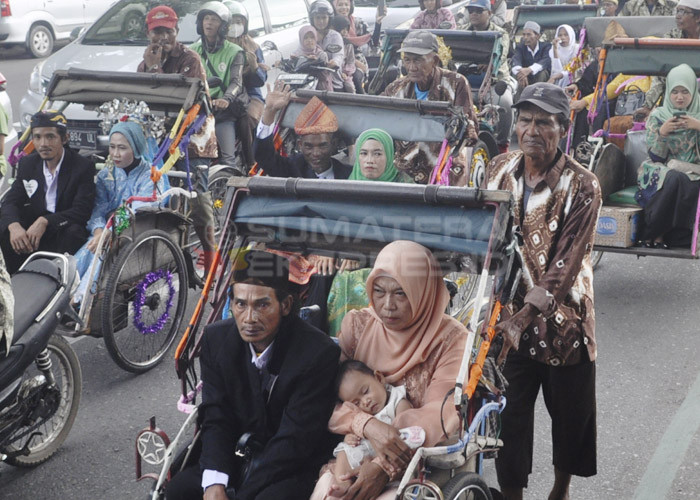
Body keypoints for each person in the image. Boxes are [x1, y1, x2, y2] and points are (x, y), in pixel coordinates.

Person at [484, 83, 601, 500]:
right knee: (508, 418)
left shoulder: (582, 185)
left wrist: (524, 315)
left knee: (569, 418)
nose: (532, 130)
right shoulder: (499, 168)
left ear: (563, 128)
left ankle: (559, 491)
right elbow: (481, 235)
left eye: (544, 122)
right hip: (507, 318)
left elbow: (565, 266)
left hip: (564, 320)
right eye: (526, 119)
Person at [165, 250, 341, 500]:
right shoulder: (217, 340)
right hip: (237, 452)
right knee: (180, 490)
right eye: (240, 304)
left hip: (289, 465)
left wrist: (241, 495)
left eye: (262, 304)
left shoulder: (317, 353)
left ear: (286, 305)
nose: (249, 318)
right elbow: (216, 416)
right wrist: (215, 483)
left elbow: (296, 439)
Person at [310, 240, 469, 500]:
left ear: (422, 291)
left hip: (419, 461)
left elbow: (439, 413)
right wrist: (366, 424)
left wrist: (384, 466)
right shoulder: (358, 326)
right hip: (352, 453)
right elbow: (326, 398)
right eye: (380, 291)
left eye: (401, 293)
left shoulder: (451, 339)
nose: (387, 305)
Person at [137, 4, 219, 277]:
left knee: (199, 203)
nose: (162, 38)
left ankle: (210, 258)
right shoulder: (146, 61)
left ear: (175, 31)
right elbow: (141, 99)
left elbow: (181, 98)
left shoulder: (190, 58)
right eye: (156, 32)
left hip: (193, 139)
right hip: (162, 141)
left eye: (167, 31)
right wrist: (152, 67)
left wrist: (157, 69)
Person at [72, 121, 169, 304]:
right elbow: (99, 207)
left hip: (134, 233)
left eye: (122, 148)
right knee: (90, 248)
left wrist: (111, 230)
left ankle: (80, 299)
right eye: (112, 147)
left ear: (136, 148)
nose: (115, 154)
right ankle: (64, 292)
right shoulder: (105, 175)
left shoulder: (151, 176)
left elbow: (138, 209)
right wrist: (99, 230)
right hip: (106, 233)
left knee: (102, 251)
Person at [0, 111, 96, 275]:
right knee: (6, 226)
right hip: (32, 231)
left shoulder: (82, 167)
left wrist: (45, 221)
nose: (43, 143)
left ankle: (57, 285)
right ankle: (11, 280)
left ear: (65, 138)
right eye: (37, 137)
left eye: (50, 137)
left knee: (75, 233)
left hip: (62, 228)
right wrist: (14, 226)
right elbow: (11, 201)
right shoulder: (28, 163)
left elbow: (82, 210)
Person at [382, 30, 479, 185]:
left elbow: (468, 131)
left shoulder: (456, 83)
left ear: (434, 61)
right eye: (407, 60)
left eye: (418, 60)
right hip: (404, 167)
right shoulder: (395, 89)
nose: (412, 67)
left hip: (444, 166)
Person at [330, 360, 422, 497]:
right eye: (357, 403)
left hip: (384, 459)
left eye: (366, 391)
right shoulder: (362, 416)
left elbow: (405, 429)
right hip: (363, 452)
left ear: (379, 378)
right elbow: (351, 429)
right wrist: (350, 437)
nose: (365, 402)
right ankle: (342, 482)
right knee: (343, 450)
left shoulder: (397, 402)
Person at [635, 64, 700, 248]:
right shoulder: (658, 115)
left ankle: (660, 233)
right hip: (661, 168)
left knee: (680, 180)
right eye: (675, 92)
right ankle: (656, 233)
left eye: (685, 92)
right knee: (672, 178)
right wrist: (662, 134)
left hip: (693, 170)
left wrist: (698, 127)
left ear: (693, 91)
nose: (679, 97)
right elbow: (656, 158)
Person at [254, 82, 352, 179]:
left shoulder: (349, 175)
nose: (316, 153)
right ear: (300, 145)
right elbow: (264, 156)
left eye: (323, 145)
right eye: (309, 146)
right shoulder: (293, 168)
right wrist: (269, 111)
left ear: (333, 144)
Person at [191, 1, 247, 169]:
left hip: (222, 112)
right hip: (200, 110)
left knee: (228, 160)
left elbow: (236, 81)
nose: (208, 22)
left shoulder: (234, 51)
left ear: (223, 25)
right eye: (206, 18)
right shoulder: (192, 51)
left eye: (214, 19)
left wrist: (226, 99)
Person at [458, 0, 514, 153]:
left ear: (489, 13)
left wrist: (489, 63)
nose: (474, 14)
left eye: (478, 10)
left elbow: (500, 56)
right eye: (471, 11)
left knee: (506, 104)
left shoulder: (501, 34)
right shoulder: (460, 31)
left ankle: (503, 145)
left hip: (494, 83)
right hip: (464, 83)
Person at [637, 0, 700, 120]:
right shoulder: (671, 37)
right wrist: (648, 105)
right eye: (677, 11)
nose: (677, 16)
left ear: (697, 17)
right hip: (676, 96)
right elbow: (661, 73)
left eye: (683, 11)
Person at [224, 0, 268, 170]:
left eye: (239, 21)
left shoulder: (253, 46)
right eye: (231, 21)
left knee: (248, 117)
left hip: (250, 96)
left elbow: (260, 80)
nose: (235, 26)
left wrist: (254, 66)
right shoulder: (217, 45)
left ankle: (252, 162)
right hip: (222, 94)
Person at [331, 0, 385, 93]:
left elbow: (374, 43)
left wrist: (378, 23)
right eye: (340, 5)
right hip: (335, 63)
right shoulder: (330, 24)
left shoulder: (358, 22)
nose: (344, 7)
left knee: (355, 78)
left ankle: (363, 102)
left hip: (356, 64)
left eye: (346, 4)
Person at [309, 0, 345, 92]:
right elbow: (301, 50)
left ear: (329, 19)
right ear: (312, 19)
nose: (321, 21)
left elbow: (338, 55)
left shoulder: (335, 36)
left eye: (324, 17)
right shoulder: (309, 35)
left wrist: (334, 62)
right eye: (317, 18)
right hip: (312, 81)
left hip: (334, 81)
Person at [512, 21, 552, 97]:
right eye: (524, 35)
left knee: (542, 73)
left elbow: (546, 61)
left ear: (538, 36)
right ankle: (518, 105)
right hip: (526, 78)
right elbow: (516, 60)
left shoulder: (546, 47)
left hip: (542, 79)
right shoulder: (520, 47)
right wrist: (522, 73)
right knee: (520, 77)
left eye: (529, 34)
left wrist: (529, 69)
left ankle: (537, 98)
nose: (525, 37)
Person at [331, 15, 358, 93]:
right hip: (332, 72)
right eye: (342, 29)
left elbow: (351, 61)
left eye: (346, 29)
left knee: (349, 87)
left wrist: (345, 72)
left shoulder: (348, 44)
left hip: (345, 73)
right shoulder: (329, 42)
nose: (344, 32)